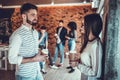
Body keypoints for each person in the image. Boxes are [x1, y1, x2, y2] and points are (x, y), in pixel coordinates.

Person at [8, 3, 47, 80]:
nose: (36, 18)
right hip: (25, 75)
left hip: (37, 71)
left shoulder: (35, 32)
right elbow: (11, 59)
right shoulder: (17, 35)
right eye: (33, 15)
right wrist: (34, 59)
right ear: (24, 16)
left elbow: (34, 49)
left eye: (36, 15)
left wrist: (40, 53)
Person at [72, 13, 103, 80]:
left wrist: (77, 65)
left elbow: (96, 73)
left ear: (91, 26)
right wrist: (80, 57)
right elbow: (88, 59)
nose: (81, 28)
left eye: (83, 25)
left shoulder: (96, 46)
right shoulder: (89, 41)